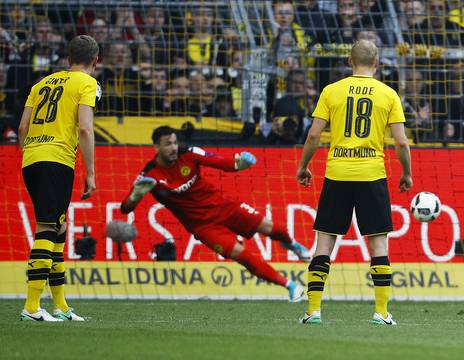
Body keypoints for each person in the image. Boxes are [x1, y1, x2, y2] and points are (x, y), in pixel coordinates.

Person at [120, 126, 311, 302]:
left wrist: (239, 164)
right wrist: (136, 195)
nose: (173, 148)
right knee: (240, 254)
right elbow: (125, 208)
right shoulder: (149, 176)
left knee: (270, 227)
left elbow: (219, 161)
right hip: (203, 227)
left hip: (223, 207)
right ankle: (290, 286)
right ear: (156, 147)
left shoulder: (189, 154)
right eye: (168, 144)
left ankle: (290, 243)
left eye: (175, 142)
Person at [296, 40, 413, 325]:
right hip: (371, 174)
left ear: (349, 62)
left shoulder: (331, 91)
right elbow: (400, 141)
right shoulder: (388, 94)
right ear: (377, 63)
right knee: (379, 245)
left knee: (324, 241)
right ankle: (381, 312)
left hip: (337, 173)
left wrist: (303, 166)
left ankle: (313, 310)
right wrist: (406, 173)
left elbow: (313, 136)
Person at [18, 35, 101, 322]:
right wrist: (90, 173)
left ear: (68, 58)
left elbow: (22, 127)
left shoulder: (41, 84)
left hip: (32, 158)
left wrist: (30, 154)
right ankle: (31, 306)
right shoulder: (87, 83)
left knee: (58, 229)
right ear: (96, 60)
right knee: (46, 229)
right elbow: (86, 130)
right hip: (58, 160)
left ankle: (61, 305)